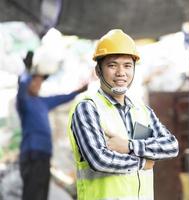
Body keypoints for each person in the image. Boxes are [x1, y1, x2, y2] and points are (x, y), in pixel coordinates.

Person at [67, 29, 179, 200]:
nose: (121, 72)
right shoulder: (87, 108)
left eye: (127, 65)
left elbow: (171, 146)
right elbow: (99, 159)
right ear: (98, 71)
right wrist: (142, 163)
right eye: (112, 65)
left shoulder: (141, 110)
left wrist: (130, 146)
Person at [16, 54, 87, 200]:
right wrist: (26, 70)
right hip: (32, 153)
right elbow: (22, 85)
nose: (38, 84)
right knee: (32, 193)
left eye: (40, 82)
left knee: (42, 193)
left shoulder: (43, 102)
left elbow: (61, 98)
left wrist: (78, 91)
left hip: (44, 153)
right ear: (29, 82)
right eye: (35, 81)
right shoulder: (24, 101)